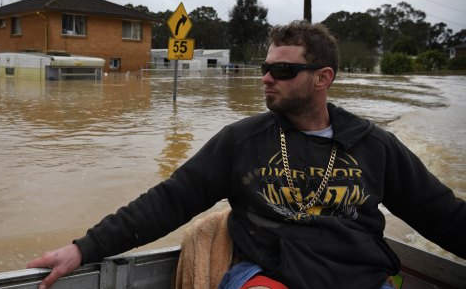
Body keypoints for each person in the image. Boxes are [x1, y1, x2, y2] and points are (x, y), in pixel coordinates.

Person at [27, 21, 466, 288]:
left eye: (283, 70)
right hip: (267, 278)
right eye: (265, 68)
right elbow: (169, 200)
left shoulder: (373, 145)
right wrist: (84, 248)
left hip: (360, 280)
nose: (266, 79)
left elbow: (441, 214)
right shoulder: (242, 141)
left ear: (323, 78)